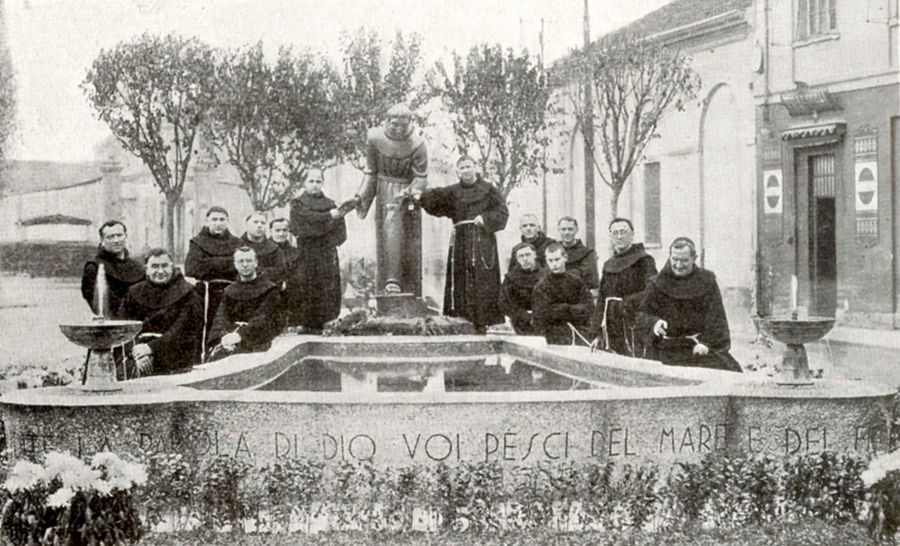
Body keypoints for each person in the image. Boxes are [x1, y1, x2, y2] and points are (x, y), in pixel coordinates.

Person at [419, 155, 508, 332]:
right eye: (462, 168)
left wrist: (485, 219)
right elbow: (434, 200)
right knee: (459, 280)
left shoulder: (488, 189)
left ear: (476, 168)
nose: (466, 170)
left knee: (482, 279)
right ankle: (460, 321)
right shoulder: (452, 191)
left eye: (468, 166)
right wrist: (419, 194)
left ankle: (482, 324)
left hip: (482, 240)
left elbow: (502, 212)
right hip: (460, 241)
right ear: (457, 171)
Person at [353, 103, 428, 294]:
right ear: (387, 121)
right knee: (387, 236)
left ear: (410, 123)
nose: (399, 129)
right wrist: (360, 197)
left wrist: (408, 193)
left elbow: (421, 177)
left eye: (403, 125)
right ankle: (389, 281)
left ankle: (408, 288)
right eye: (394, 124)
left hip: (407, 194)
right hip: (383, 190)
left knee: (407, 238)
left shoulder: (418, 144)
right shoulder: (375, 138)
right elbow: (371, 171)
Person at [638, 237, 742, 372]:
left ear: (694, 258)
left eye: (684, 260)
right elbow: (642, 315)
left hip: (698, 347)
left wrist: (706, 343)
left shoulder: (707, 281)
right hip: (666, 349)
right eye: (674, 259)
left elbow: (716, 318)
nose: (678, 265)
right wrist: (655, 323)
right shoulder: (656, 283)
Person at [115, 248, 203, 375]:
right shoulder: (134, 292)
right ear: (147, 269)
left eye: (164, 266)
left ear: (172, 267)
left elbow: (181, 330)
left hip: (173, 354)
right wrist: (138, 354)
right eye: (155, 266)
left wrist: (151, 348)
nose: (160, 271)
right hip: (137, 353)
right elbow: (123, 327)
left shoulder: (188, 293)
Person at [288, 171, 349, 333]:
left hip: (326, 252)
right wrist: (327, 220)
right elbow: (299, 227)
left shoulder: (331, 204)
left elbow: (341, 234)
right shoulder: (298, 204)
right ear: (304, 183)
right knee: (306, 284)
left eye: (318, 181)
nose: (315, 184)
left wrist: (318, 230)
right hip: (306, 251)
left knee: (327, 285)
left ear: (322, 183)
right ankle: (307, 324)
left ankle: (327, 321)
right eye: (311, 181)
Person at [590, 218, 657, 356]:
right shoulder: (608, 264)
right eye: (615, 233)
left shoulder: (644, 260)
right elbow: (602, 299)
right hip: (611, 323)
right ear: (610, 236)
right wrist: (596, 332)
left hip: (633, 319)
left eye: (623, 232)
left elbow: (651, 291)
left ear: (632, 234)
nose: (619, 236)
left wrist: (628, 302)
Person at [208, 247, 283, 356]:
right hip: (231, 339)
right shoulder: (229, 290)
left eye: (249, 261)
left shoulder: (269, 289)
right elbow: (221, 317)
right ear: (235, 264)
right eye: (240, 261)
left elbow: (263, 318)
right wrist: (223, 336)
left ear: (256, 263)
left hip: (258, 341)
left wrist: (240, 335)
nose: (245, 265)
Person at [185, 206, 242, 347]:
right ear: (207, 221)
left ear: (228, 221)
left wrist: (210, 262)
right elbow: (192, 268)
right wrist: (228, 262)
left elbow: (240, 265)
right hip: (205, 293)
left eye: (222, 219)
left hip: (232, 291)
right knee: (205, 326)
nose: (218, 223)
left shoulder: (237, 242)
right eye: (214, 219)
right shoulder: (197, 242)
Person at [532, 243, 593, 345]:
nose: (554, 264)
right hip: (553, 335)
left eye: (557, 259)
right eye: (550, 261)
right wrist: (572, 310)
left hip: (578, 331)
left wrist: (563, 309)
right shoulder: (542, 286)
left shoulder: (576, 281)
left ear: (565, 258)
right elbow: (542, 314)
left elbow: (589, 307)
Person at [81, 220, 145, 317]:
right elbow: (98, 304)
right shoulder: (94, 268)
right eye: (110, 237)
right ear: (102, 241)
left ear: (125, 236)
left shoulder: (138, 267)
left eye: (119, 235)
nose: (116, 240)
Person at [499, 242, 544, 335]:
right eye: (521, 256)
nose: (525, 259)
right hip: (521, 323)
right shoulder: (511, 278)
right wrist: (524, 316)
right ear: (516, 259)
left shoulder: (546, 275)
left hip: (544, 321)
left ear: (535, 255)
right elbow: (504, 303)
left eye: (528, 255)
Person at [557, 216, 599, 300]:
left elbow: (589, 277)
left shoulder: (587, 253)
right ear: (559, 230)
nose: (567, 233)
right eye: (563, 229)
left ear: (576, 230)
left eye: (570, 229)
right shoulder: (554, 251)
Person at [240, 212, 287, 285]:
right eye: (255, 222)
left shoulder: (274, 249)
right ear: (247, 225)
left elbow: (281, 271)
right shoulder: (236, 245)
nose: (259, 225)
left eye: (263, 223)